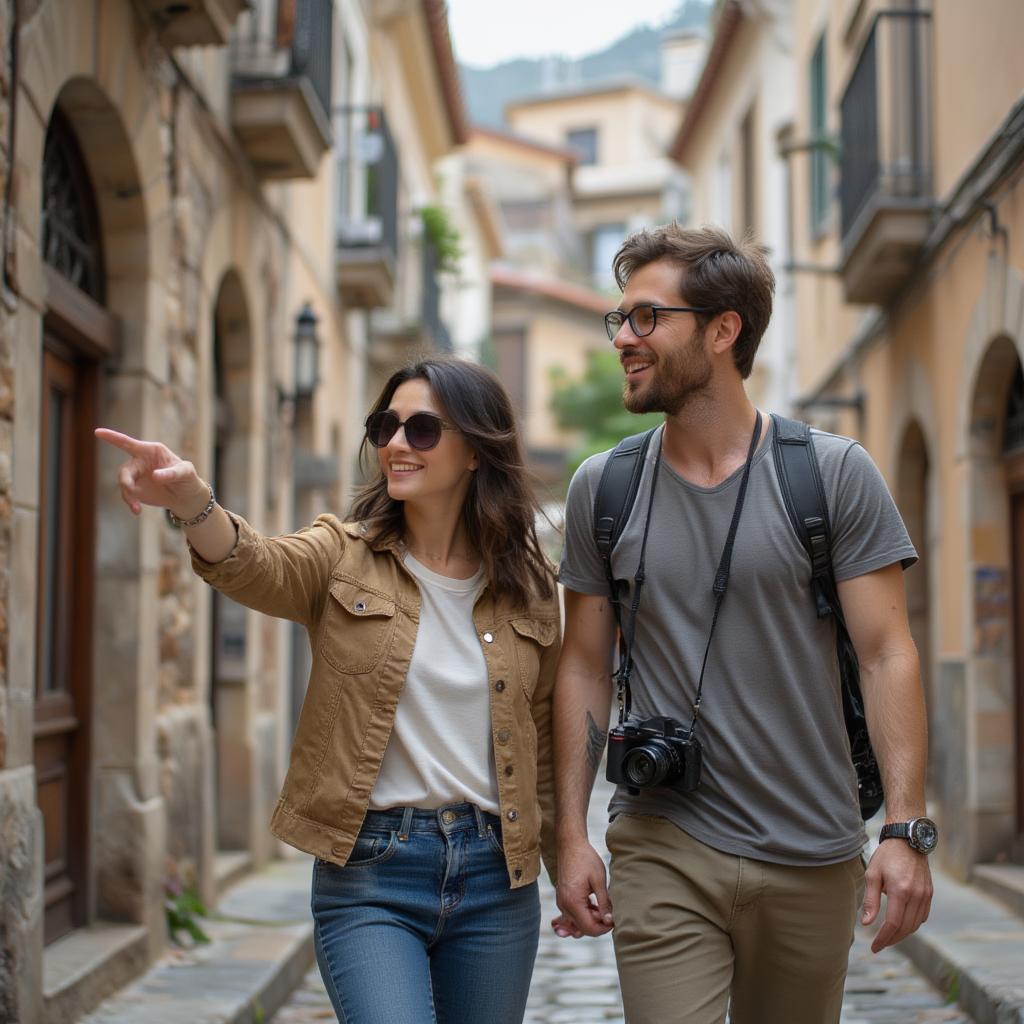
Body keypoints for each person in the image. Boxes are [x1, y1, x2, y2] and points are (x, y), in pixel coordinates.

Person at [97, 357, 560, 1024]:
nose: (396, 443)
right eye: (386, 425)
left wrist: (567, 858)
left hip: (495, 878)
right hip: (372, 870)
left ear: (474, 451)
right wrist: (193, 500)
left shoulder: (530, 583)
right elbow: (253, 565)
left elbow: (543, 739)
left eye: (423, 429)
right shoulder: (341, 555)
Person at [552, 224, 934, 1024]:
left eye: (647, 318)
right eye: (618, 319)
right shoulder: (604, 488)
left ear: (723, 330)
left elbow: (886, 651)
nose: (623, 337)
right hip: (662, 841)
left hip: (814, 848)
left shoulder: (830, 475)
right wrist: (572, 832)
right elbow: (583, 664)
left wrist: (904, 827)